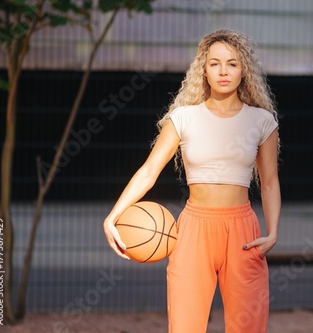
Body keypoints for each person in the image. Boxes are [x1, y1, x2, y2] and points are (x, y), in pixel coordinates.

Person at [103, 29, 281, 333]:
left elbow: (269, 182)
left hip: (243, 232)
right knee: (185, 326)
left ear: (244, 71)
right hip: (193, 229)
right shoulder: (183, 118)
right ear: (204, 69)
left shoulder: (261, 120)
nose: (223, 71)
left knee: (248, 326)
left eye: (232, 63)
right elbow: (149, 171)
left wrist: (273, 231)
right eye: (214, 63)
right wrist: (113, 216)